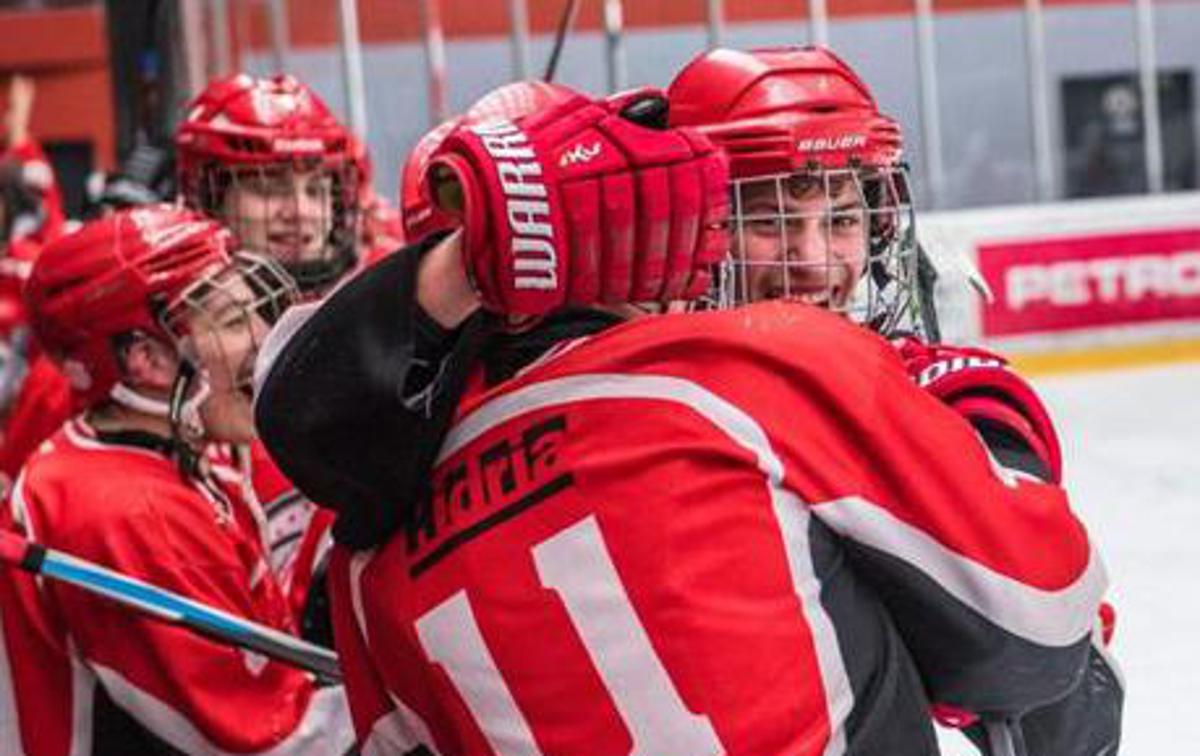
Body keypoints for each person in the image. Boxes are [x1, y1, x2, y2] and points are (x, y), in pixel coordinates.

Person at [251, 81, 1108, 754]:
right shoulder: (751, 372)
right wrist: (982, 420)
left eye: (842, 217)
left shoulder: (370, 569)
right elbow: (1047, 641)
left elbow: (302, 400)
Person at [667, 46, 1123, 754]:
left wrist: (918, 428)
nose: (815, 264)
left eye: (842, 221)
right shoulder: (628, 394)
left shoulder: (945, 396)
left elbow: (1071, 720)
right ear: (694, 230)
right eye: (769, 223)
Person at [0, 205, 353, 755]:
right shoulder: (127, 512)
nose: (264, 336)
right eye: (233, 321)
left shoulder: (174, 449)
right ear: (147, 359)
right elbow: (268, 740)